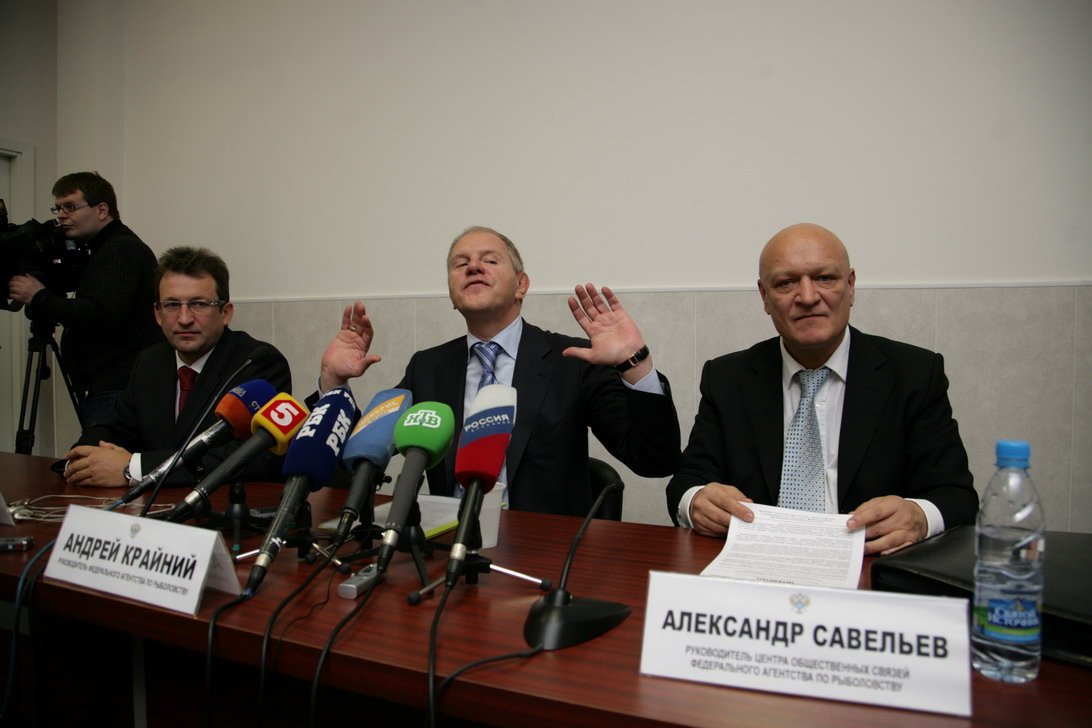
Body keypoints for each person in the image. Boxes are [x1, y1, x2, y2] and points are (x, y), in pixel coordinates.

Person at [318, 225, 681, 516]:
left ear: (521, 285)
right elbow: (358, 462)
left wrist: (635, 363)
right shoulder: (427, 367)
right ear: (451, 293)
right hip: (446, 546)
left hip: (544, 552)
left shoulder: (571, 360)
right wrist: (333, 384)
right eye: (460, 264)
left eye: (490, 260)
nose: (473, 267)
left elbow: (654, 460)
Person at [666, 223, 977, 554]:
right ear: (765, 296)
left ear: (851, 286)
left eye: (825, 278)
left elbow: (957, 497)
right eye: (786, 283)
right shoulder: (728, 378)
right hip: (757, 564)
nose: (808, 297)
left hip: (870, 565)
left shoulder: (914, 374)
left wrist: (919, 517)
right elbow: (688, 481)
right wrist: (695, 501)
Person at [63, 246, 292, 489]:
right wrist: (81, 458)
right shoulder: (150, 362)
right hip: (153, 505)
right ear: (158, 314)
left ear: (225, 312)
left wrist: (134, 468)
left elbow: (259, 457)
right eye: (172, 305)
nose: (184, 319)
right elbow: (113, 429)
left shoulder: (257, 363)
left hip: (221, 504)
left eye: (199, 304)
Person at [7, 172, 162, 427]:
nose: (61, 215)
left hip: (117, 388)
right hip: (114, 385)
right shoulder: (106, 248)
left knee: (103, 453)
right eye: (58, 208)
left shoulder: (119, 249)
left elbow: (102, 314)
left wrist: (39, 297)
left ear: (101, 210)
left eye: (70, 207)